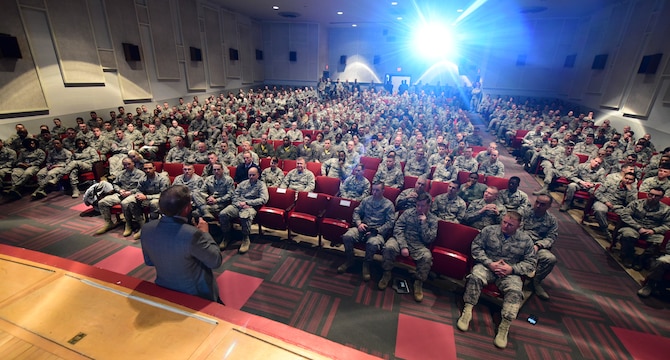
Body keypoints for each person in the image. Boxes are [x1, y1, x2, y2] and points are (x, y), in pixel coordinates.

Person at [456, 211, 537, 349]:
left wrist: (512, 269)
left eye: (510, 225)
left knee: (515, 291)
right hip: (488, 266)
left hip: (510, 273)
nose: (505, 226)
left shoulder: (526, 240)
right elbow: (476, 248)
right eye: (504, 222)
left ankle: (505, 324)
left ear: (518, 225)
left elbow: (531, 263)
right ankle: (467, 310)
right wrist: (489, 263)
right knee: (475, 277)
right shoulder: (489, 231)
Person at [140, 185, 223, 303]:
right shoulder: (194, 234)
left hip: (163, 287)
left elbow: (149, 261)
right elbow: (215, 261)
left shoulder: (146, 228)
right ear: (186, 208)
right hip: (196, 295)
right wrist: (205, 234)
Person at [379, 193, 438, 302]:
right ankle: (386, 273)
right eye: (418, 205)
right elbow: (398, 229)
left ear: (428, 206)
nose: (419, 208)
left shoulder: (433, 220)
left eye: (423, 206)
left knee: (427, 257)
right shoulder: (408, 213)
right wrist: (403, 246)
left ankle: (418, 282)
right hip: (401, 239)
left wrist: (424, 224)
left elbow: (429, 239)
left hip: (418, 245)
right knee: (389, 247)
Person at [337, 181, 395, 281]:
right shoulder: (366, 200)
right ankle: (350, 260)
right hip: (363, 227)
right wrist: (359, 223)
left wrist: (377, 230)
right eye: (373, 190)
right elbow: (356, 212)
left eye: (377, 190)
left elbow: (390, 222)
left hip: (377, 231)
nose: (374, 192)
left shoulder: (388, 205)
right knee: (347, 236)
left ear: (383, 191)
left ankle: (366, 264)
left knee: (372, 243)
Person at [618, 187, 670, 270]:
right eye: (651, 194)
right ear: (647, 194)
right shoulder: (636, 203)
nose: (652, 197)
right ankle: (628, 257)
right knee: (628, 235)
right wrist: (638, 227)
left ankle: (641, 260)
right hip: (634, 227)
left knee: (661, 242)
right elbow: (625, 215)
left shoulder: (666, 210)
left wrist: (654, 230)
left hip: (652, 231)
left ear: (661, 198)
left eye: (656, 196)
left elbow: (667, 225)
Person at [219, 167, 269, 253]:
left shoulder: (261, 185)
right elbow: (234, 195)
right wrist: (239, 203)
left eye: (253, 175)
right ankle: (226, 236)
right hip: (237, 205)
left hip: (250, 207)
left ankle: (246, 239)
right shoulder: (243, 183)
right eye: (250, 175)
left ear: (258, 175)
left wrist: (247, 203)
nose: (251, 177)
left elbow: (264, 199)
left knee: (245, 216)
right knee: (223, 214)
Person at [519, 194, 559, 300]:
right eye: (537, 202)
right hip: (519, 243)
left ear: (548, 206)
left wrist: (539, 245)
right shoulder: (524, 213)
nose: (538, 206)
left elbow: (551, 237)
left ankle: (536, 283)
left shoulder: (551, 220)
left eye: (542, 204)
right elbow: (516, 229)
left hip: (537, 247)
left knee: (550, 259)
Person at [96, 157, 147, 235]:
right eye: (125, 165)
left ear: (133, 163)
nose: (127, 166)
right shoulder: (121, 173)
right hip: (122, 194)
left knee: (125, 203)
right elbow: (115, 184)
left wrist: (130, 192)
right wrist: (119, 190)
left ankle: (128, 224)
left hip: (134, 194)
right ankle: (109, 223)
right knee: (102, 202)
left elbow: (142, 187)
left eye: (129, 164)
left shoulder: (141, 174)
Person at [591, 171, 637, 240]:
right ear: (623, 178)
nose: (627, 181)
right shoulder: (611, 182)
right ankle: (605, 230)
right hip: (604, 202)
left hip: (618, 206)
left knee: (627, 215)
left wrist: (629, 191)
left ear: (633, 181)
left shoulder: (633, 190)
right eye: (626, 178)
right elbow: (597, 192)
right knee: (599, 210)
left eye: (630, 179)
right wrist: (605, 201)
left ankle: (618, 235)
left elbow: (631, 203)